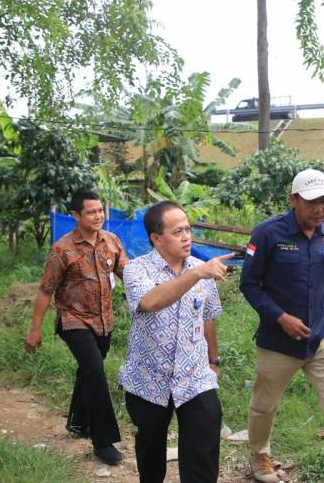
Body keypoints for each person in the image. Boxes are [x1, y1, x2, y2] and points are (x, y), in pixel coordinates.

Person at [239, 169, 324, 483]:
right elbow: (249, 284)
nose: (320, 209)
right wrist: (281, 317)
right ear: (293, 199)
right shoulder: (267, 233)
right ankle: (259, 456)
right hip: (278, 341)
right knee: (264, 406)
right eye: (312, 202)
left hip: (321, 336)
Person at [120, 201, 234, 483]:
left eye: (188, 229)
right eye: (177, 231)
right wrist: (195, 274)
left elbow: (208, 317)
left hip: (195, 375)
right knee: (151, 451)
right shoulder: (136, 269)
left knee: (204, 440)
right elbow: (150, 301)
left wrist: (213, 361)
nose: (186, 237)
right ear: (156, 238)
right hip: (149, 378)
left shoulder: (202, 269)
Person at [24, 191, 128, 465]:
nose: (98, 216)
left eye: (100, 211)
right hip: (73, 320)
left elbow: (128, 275)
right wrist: (35, 329)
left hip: (103, 321)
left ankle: (78, 422)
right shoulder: (62, 249)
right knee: (95, 371)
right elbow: (46, 290)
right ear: (76, 215)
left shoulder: (112, 242)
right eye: (91, 212)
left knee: (88, 370)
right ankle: (103, 442)